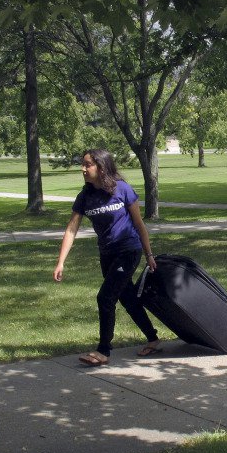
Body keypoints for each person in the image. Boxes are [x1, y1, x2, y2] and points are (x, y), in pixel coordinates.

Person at [54, 148, 162, 366]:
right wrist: (61, 262)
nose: (83, 169)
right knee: (127, 297)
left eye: (87, 165)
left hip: (128, 251)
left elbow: (140, 225)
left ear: (101, 167)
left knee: (105, 298)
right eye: (82, 164)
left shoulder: (122, 189)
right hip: (107, 254)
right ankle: (153, 339)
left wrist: (148, 254)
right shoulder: (85, 196)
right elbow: (71, 229)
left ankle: (104, 350)